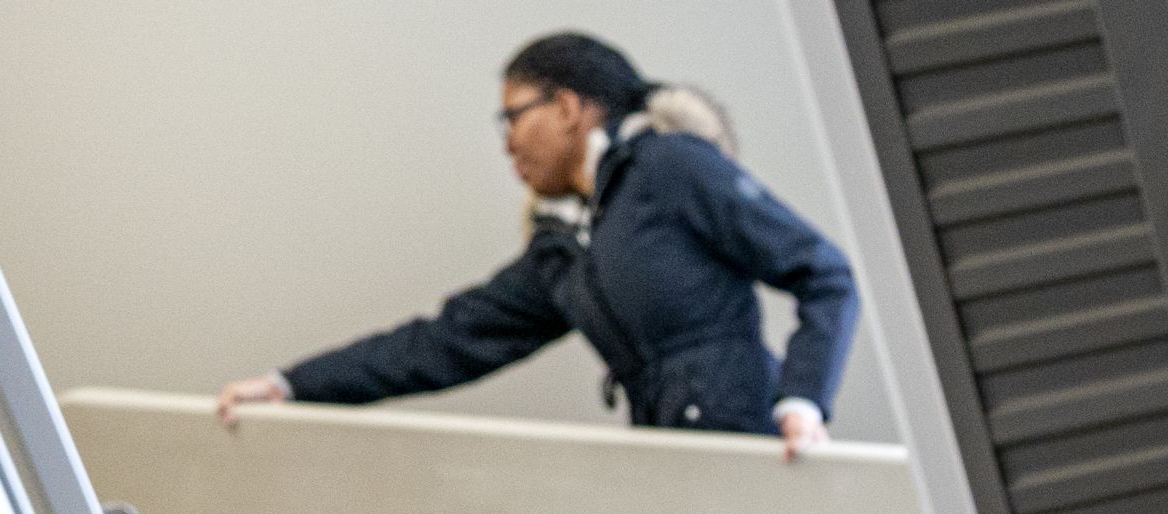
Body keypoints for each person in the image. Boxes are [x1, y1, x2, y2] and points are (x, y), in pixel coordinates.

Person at [214, 34, 854, 456]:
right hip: (667, 462)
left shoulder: (671, 168)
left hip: (754, 452)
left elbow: (825, 274)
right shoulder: (564, 250)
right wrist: (289, 386)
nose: (507, 142)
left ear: (572, 107)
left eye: (513, 116)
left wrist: (801, 402)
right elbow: (444, 342)